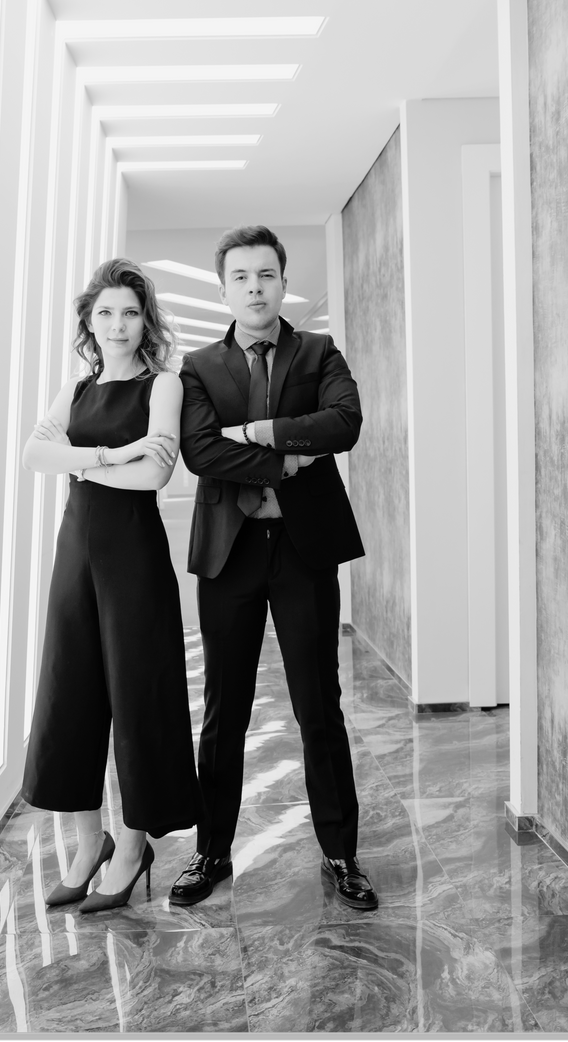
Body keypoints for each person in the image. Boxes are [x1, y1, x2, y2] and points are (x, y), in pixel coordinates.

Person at [170, 225, 377, 910]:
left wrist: (259, 433)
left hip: (302, 549)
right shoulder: (199, 367)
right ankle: (210, 850)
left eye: (265, 274)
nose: (254, 287)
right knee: (223, 710)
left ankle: (341, 853)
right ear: (223, 288)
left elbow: (344, 422)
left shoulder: (318, 351)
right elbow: (201, 452)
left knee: (318, 705)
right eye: (240, 276)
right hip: (228, 553)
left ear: (283, 282)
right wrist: (289, 458)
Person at [19, 258, 203, 914]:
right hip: (74, 556)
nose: (118, 324)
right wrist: (110, 454)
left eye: (130, 312)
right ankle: (85, 843)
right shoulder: (74, 391)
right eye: (105, 313)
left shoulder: (163, 386)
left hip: (133, 558)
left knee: (136, 696)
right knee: (69, 693)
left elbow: (153, 476)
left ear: (145, 321)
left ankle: (130, 848)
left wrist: (77, 462)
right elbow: (32, 456)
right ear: (89, 323)